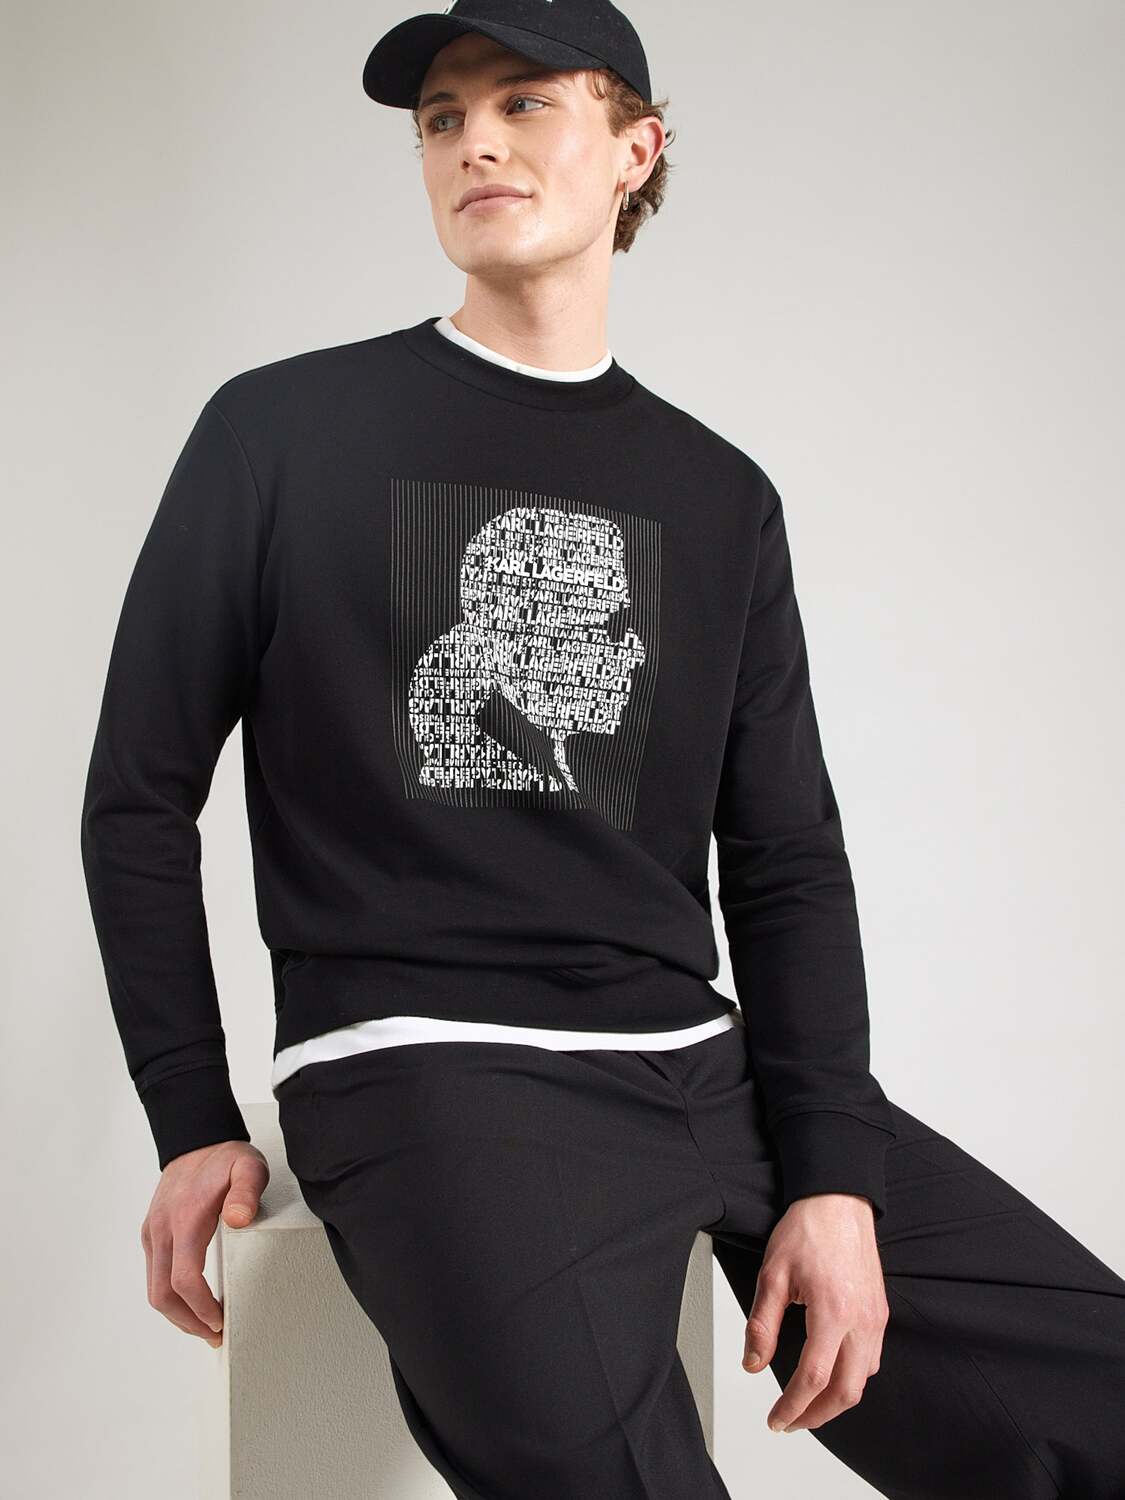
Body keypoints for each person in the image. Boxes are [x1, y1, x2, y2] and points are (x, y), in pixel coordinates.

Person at [79, 1, 1125, 1494]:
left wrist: (833, 1174)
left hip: (700, 1068)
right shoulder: (280, 433)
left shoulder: (717, 494)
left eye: (524, 103)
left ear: (637, 150)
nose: (475, 143)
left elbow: (785, 857)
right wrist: (189, 1118)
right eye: (442, 119)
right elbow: (136, 800)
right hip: (432, 1075)